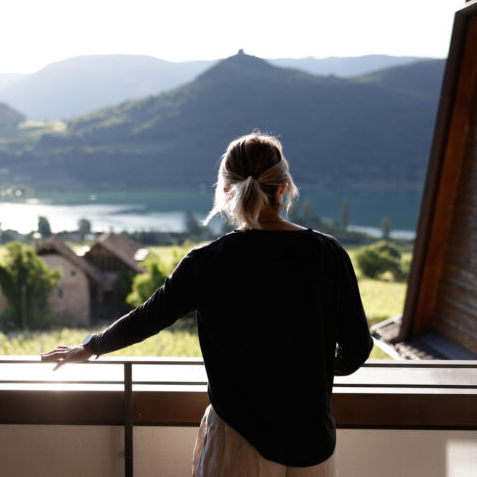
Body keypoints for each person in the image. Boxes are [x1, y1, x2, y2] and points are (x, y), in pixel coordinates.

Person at [41, 131, 373, 476]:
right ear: (283, 187)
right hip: (311, 441)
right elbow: (356, 350)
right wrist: (307, 369)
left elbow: (149, 317)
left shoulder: (208, 261)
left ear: (227, 191)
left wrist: (91, 346)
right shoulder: (328, 254)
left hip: (237, 439)